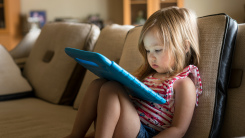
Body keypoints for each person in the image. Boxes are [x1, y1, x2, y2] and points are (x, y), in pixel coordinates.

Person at [65, 6, 202, 138]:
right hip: (126, 124)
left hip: (145, 133)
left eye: (158, 50)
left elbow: (179, 130)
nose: (151, 57)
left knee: (111, 88)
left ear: (184, 46)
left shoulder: (183, 83)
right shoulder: (147, 74)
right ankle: (75, 135)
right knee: (98, 84)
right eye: (148, 50)